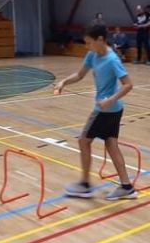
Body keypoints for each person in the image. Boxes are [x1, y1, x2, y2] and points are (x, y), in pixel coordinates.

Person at [54, 22, 135, 200]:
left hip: (106, 110)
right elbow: (80, 75)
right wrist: (63, 82)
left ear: (100, 39)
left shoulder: (112, 60)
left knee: (83, 141)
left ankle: (85, 185)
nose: (87, 46)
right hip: (111, 110)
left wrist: (110, 100)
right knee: (111, 145)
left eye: (89, 42)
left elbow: (128, 85)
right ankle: (127, 186)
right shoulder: (92, 54)